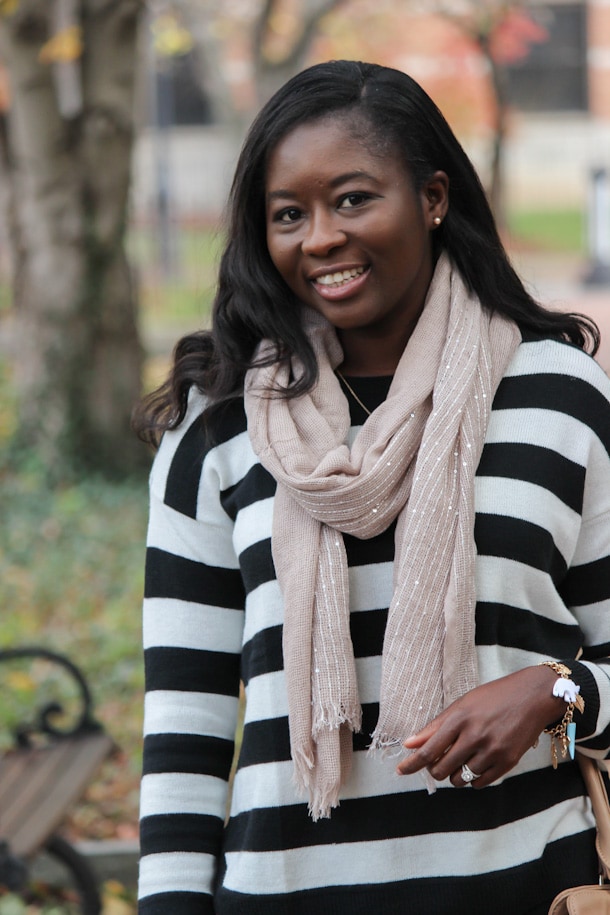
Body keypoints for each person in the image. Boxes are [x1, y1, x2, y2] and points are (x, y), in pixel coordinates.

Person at [134, 60, 610, 915]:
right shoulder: (218, 429)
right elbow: (183, 734)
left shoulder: (560, 398)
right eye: (289, 214)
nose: (319, 237)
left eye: (353, 198)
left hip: (533, 890)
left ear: (433, 198)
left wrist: (557, 689)